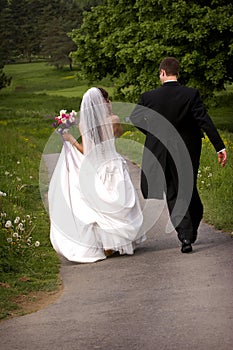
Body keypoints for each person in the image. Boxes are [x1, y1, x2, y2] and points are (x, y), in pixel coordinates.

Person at [130, 57, 227, 253]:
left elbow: (135, 118)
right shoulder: (190, 94)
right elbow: (204, 120)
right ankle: (187, 233)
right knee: (188, 188)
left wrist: (152, 133)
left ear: (162, 73)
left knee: (173, 191)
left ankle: (185, 234)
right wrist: (219, 147)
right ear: (177, 73)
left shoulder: (148, 97)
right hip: (188, 149)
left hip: (162, 150)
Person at [48, 87, 146, 263]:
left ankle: (108, 245)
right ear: (104, 101)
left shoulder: (83, 125)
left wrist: (70, 139)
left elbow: (87, 152)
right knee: (120, 204)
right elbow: (117, 135)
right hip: (114, 164)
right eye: (107, 100)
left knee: (102, 207)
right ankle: (121, 241)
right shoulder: (114, 120)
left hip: (96, 168)